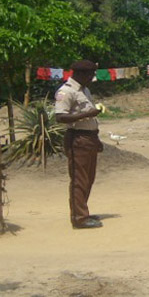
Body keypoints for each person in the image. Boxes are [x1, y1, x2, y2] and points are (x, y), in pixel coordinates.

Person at [54, 60, 104, 229]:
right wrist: (85, 114)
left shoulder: (85, 90)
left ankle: (83, 211)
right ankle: (79, 218)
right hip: (77, 138)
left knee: (88, 178)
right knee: (79, 179)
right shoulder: (67, 91)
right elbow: (60, 117)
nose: (92, 78)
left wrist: (96, 139)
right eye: (90, 75)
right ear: (81, 74)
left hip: (89, 138)